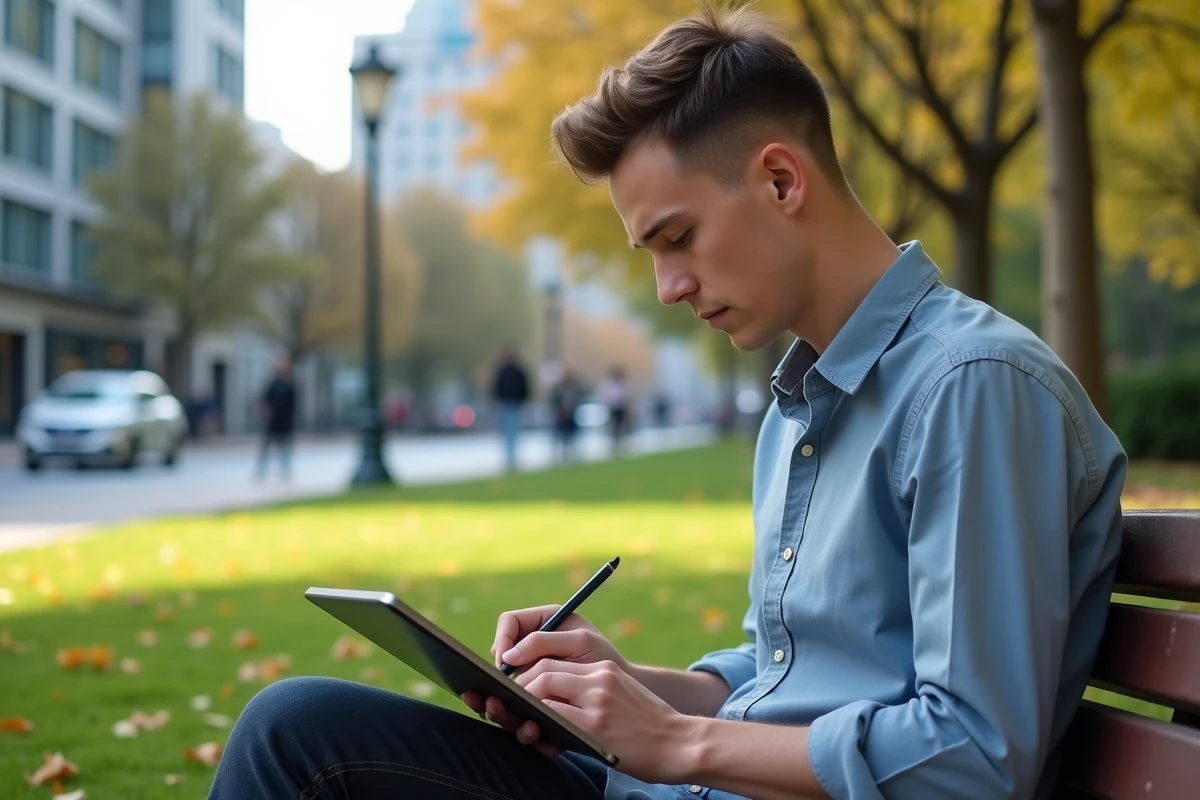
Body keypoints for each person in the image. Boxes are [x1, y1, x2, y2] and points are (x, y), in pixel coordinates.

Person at [209, 5, 1127, 799]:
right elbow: (785, 676)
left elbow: (973, 757)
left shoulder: (973, 388)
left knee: (298, 742)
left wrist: (677, 742)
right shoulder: (803, 404)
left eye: (677, 237)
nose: (668, 287)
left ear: (780, 181)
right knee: (299, 728)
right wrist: (626, 690)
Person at [255, 355, 296, 481]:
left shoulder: (288, 386)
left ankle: (284, 470)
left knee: (283, 448)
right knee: (269, 447)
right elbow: (265, 403)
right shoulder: (274, 385)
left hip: (284, 422)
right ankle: (262, 470)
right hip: (275, 422)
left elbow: (292, 405)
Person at [491, 347, 531, 472]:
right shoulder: (503, 371)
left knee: (513, 432)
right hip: (505, 404)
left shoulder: (518, 371)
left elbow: (524, 388)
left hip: (515, 404)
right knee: (507, 432)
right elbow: (497, 388)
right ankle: (509, 459)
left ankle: (513, 459)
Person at [549, 367, 585, 464]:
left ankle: (573, 455)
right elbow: (553, 400)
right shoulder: (558, 388)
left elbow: (581, 397)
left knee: (573, 435)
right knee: (559, 435)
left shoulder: (575, 387)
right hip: (561, 415)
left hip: (572, 414)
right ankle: (558, 456)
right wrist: (558, 411)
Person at [599, 366, 631, 453]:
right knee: (613, 427)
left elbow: (624, 396)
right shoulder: (607, 384)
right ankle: (614, 444)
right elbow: (606, 397)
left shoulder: (621, 384)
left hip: (620, 408)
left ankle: (621, 443)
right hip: (612, 408)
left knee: (621, 426)